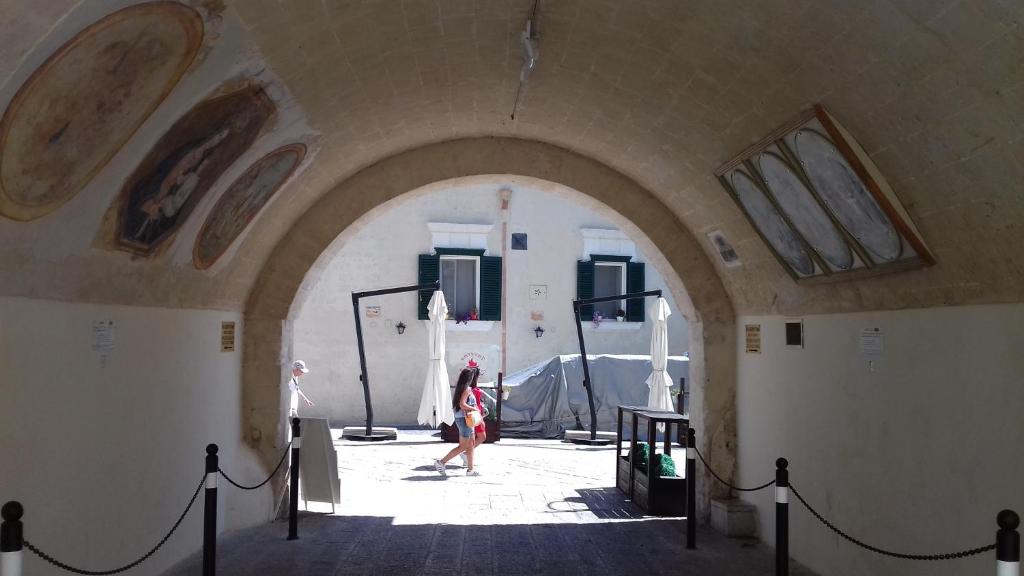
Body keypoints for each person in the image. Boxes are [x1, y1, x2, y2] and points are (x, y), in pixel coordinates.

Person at [434, 369, 481, 477]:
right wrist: (475, 409)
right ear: (470, 378)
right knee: (463, 446)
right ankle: (441, 462)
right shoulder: (467, 389)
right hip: (465, 420)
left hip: (466, 419)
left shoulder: (461, 388)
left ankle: (470, 470)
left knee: (471, 444)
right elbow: (462, 404)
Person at [460, 367, 489, 466]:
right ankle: (466, 456)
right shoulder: (473, 390)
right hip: (475, 415)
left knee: (476, 437)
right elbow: (474, 404)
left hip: (475, 415)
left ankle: (467, 457)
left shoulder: (471, 389)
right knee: (480, 437)